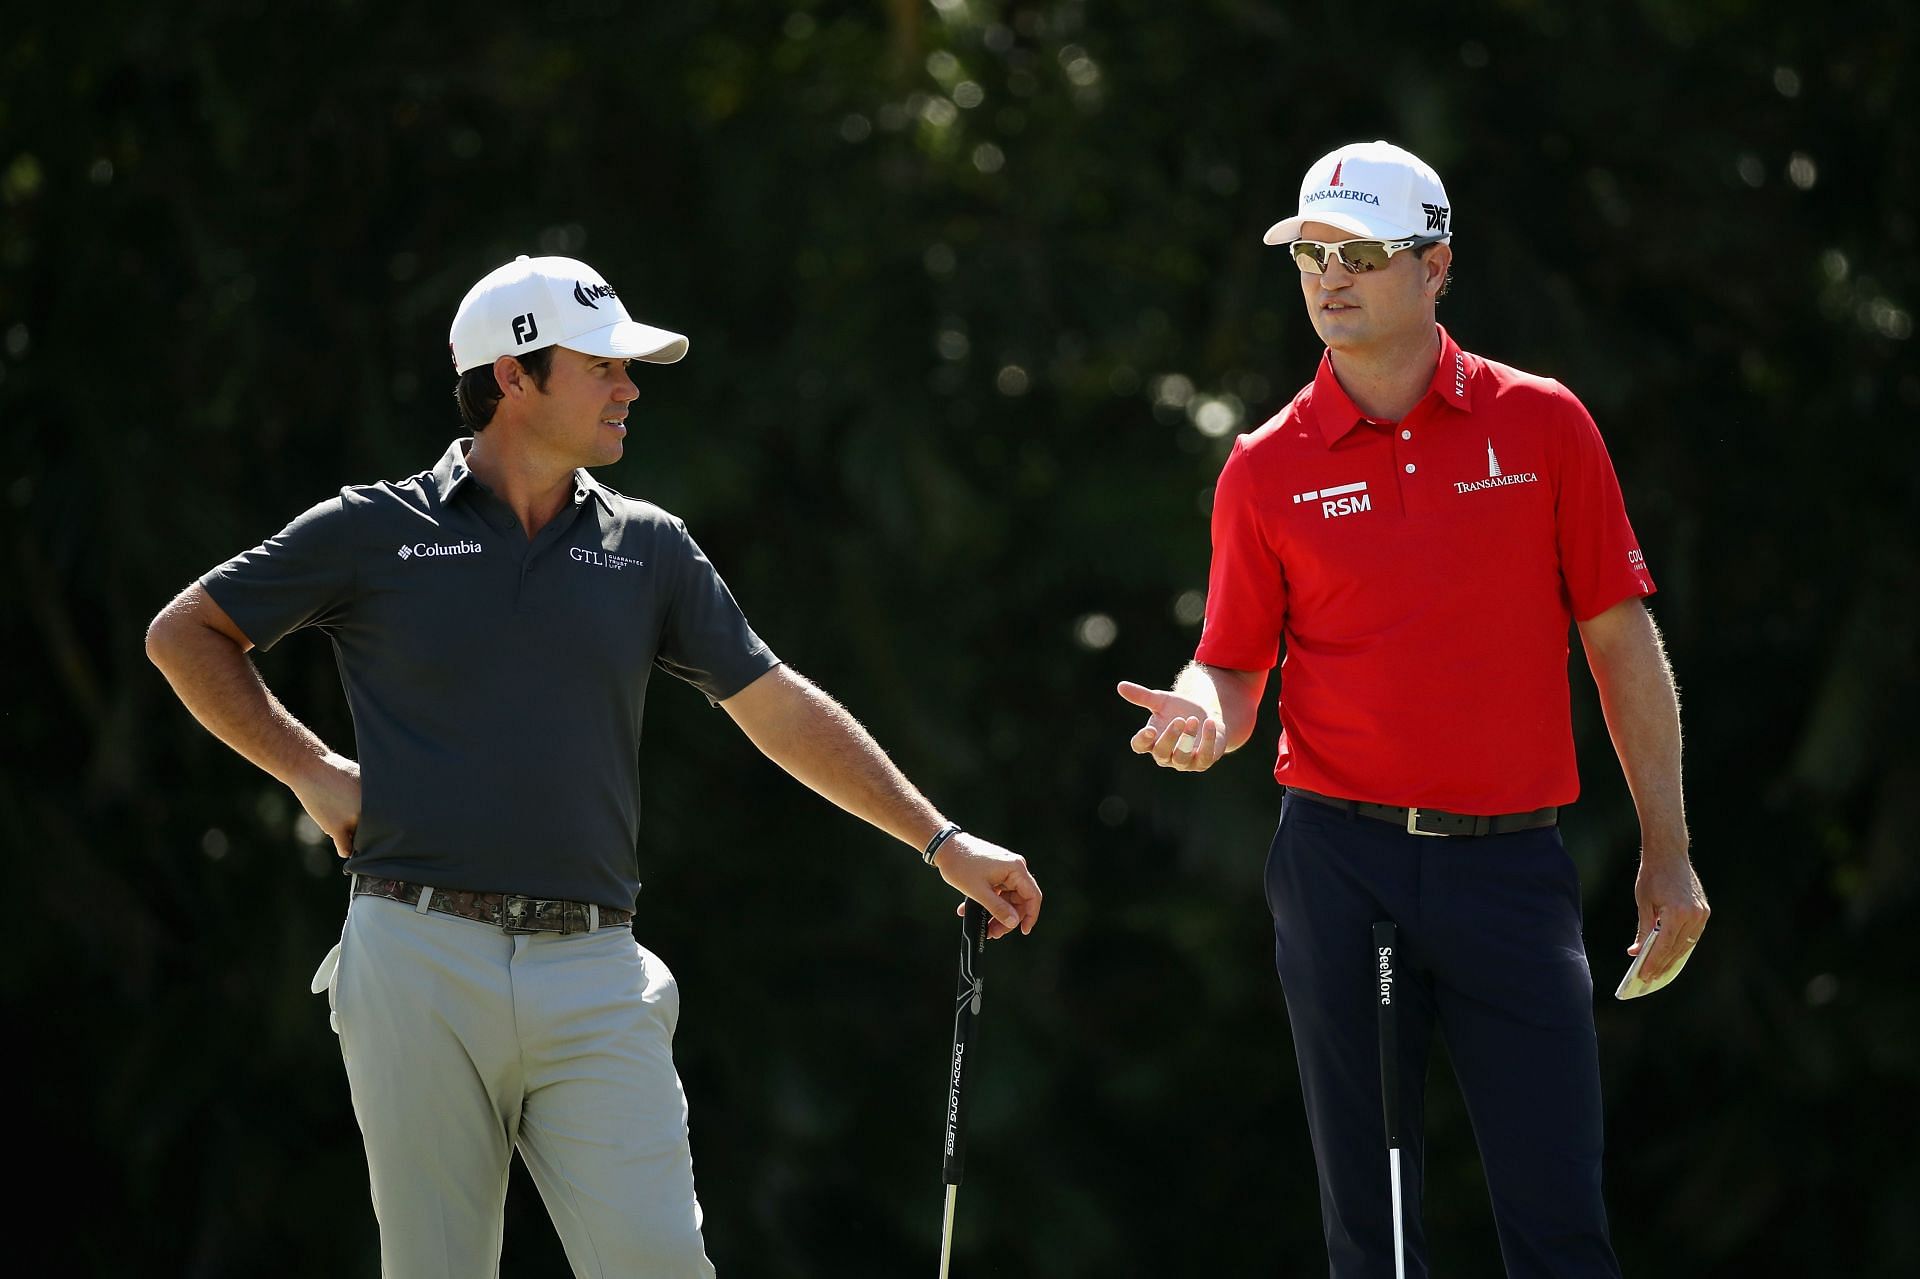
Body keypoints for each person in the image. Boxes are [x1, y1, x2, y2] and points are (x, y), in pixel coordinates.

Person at [145, 253, 1041, 1278]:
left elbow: (776, 704)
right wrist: (308, 768)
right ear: (514, 376)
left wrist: (940, 839)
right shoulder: (375, 528)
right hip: (413, 952)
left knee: (659, 1262)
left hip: (595, 967)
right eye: (603, 365)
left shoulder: (649, 548)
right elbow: (189, 632)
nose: (630, 386)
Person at [1117, 141, 1708, 1278]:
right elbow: (1233, 666)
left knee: (1561, 1224)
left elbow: (1621, 640)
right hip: (1343, 866)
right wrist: (1199, 713)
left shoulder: (1544, 426)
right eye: (1310, 256)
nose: (1329, 279)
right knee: (1377, 1239)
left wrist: (1669, 852)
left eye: (1364, 255)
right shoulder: (1264, 464)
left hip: (1512, 868)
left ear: (1437, 266)